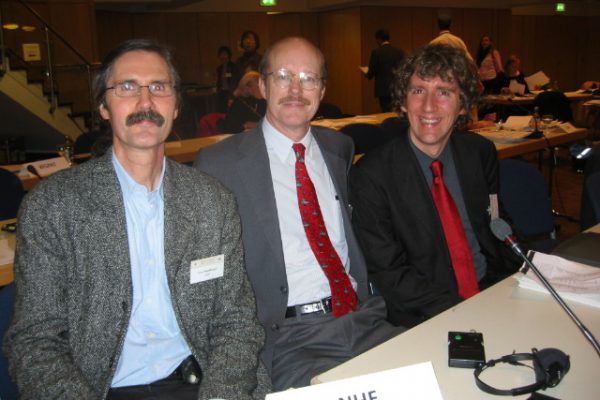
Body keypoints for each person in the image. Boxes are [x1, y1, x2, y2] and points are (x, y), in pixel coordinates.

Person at [4, 39, 268, 400]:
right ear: (103, 106)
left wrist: (221, 395)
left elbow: (236, 322)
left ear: (176, 106)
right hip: (100, 390)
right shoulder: (52, 207)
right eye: (127, 87)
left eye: (159, 87)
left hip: (204, 382)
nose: (146, 102)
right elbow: (34, 341)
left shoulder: (213, 201)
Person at [194, 36, 402, 391]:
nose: (295, 89)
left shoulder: (339, 147)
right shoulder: (220, 165)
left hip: (364, 318)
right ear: (262, 86)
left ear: (322, 90)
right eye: (283, 76)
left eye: (308, 78)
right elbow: (205, 279)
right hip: (289, 339)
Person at [349, 44, 520, 329]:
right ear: (403, 102)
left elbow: (498, 225)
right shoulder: (371, 176)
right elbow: (389, 273)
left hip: (493, 294)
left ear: (463, 104)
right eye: (418, 90)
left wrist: (518, 281)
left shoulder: (479, 153)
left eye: (444, 92)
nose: (429, 106)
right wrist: (465, 312)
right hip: (424, 315)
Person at [363, 29, 406, 112]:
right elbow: (402, 69)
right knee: (396, 111)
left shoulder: (376, 52)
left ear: (378, 39)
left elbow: (372, 72)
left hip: (382, 89)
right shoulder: (399, 52)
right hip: (396, 87)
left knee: (385, 111)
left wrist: (366, 73)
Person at [215, 45, 237, 113]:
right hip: (222, 92)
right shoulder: (219, 68)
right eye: (221, 55)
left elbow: (234, 81)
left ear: (229, 55)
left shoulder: (233, 66)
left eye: (225, 54)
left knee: (230, 110)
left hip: (230, 92)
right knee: (221, 110)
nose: (223, 56)